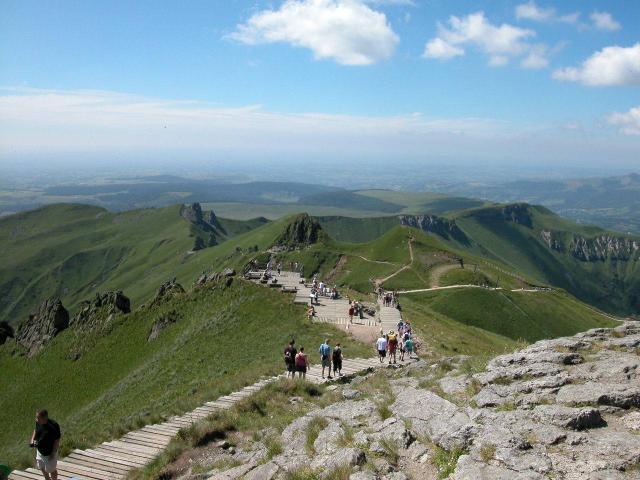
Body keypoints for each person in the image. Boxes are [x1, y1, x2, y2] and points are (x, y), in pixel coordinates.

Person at [30, 409, 61, 480]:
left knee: (52, 470)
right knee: (41, 467)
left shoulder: (53, 426)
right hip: (40, 451)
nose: (36, 419)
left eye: (38, 418)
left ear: (45, 418)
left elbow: (57, 440)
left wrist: (53, 453)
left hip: (49, 453)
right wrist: (32, 440)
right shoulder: (38, 422)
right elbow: (35, 430)